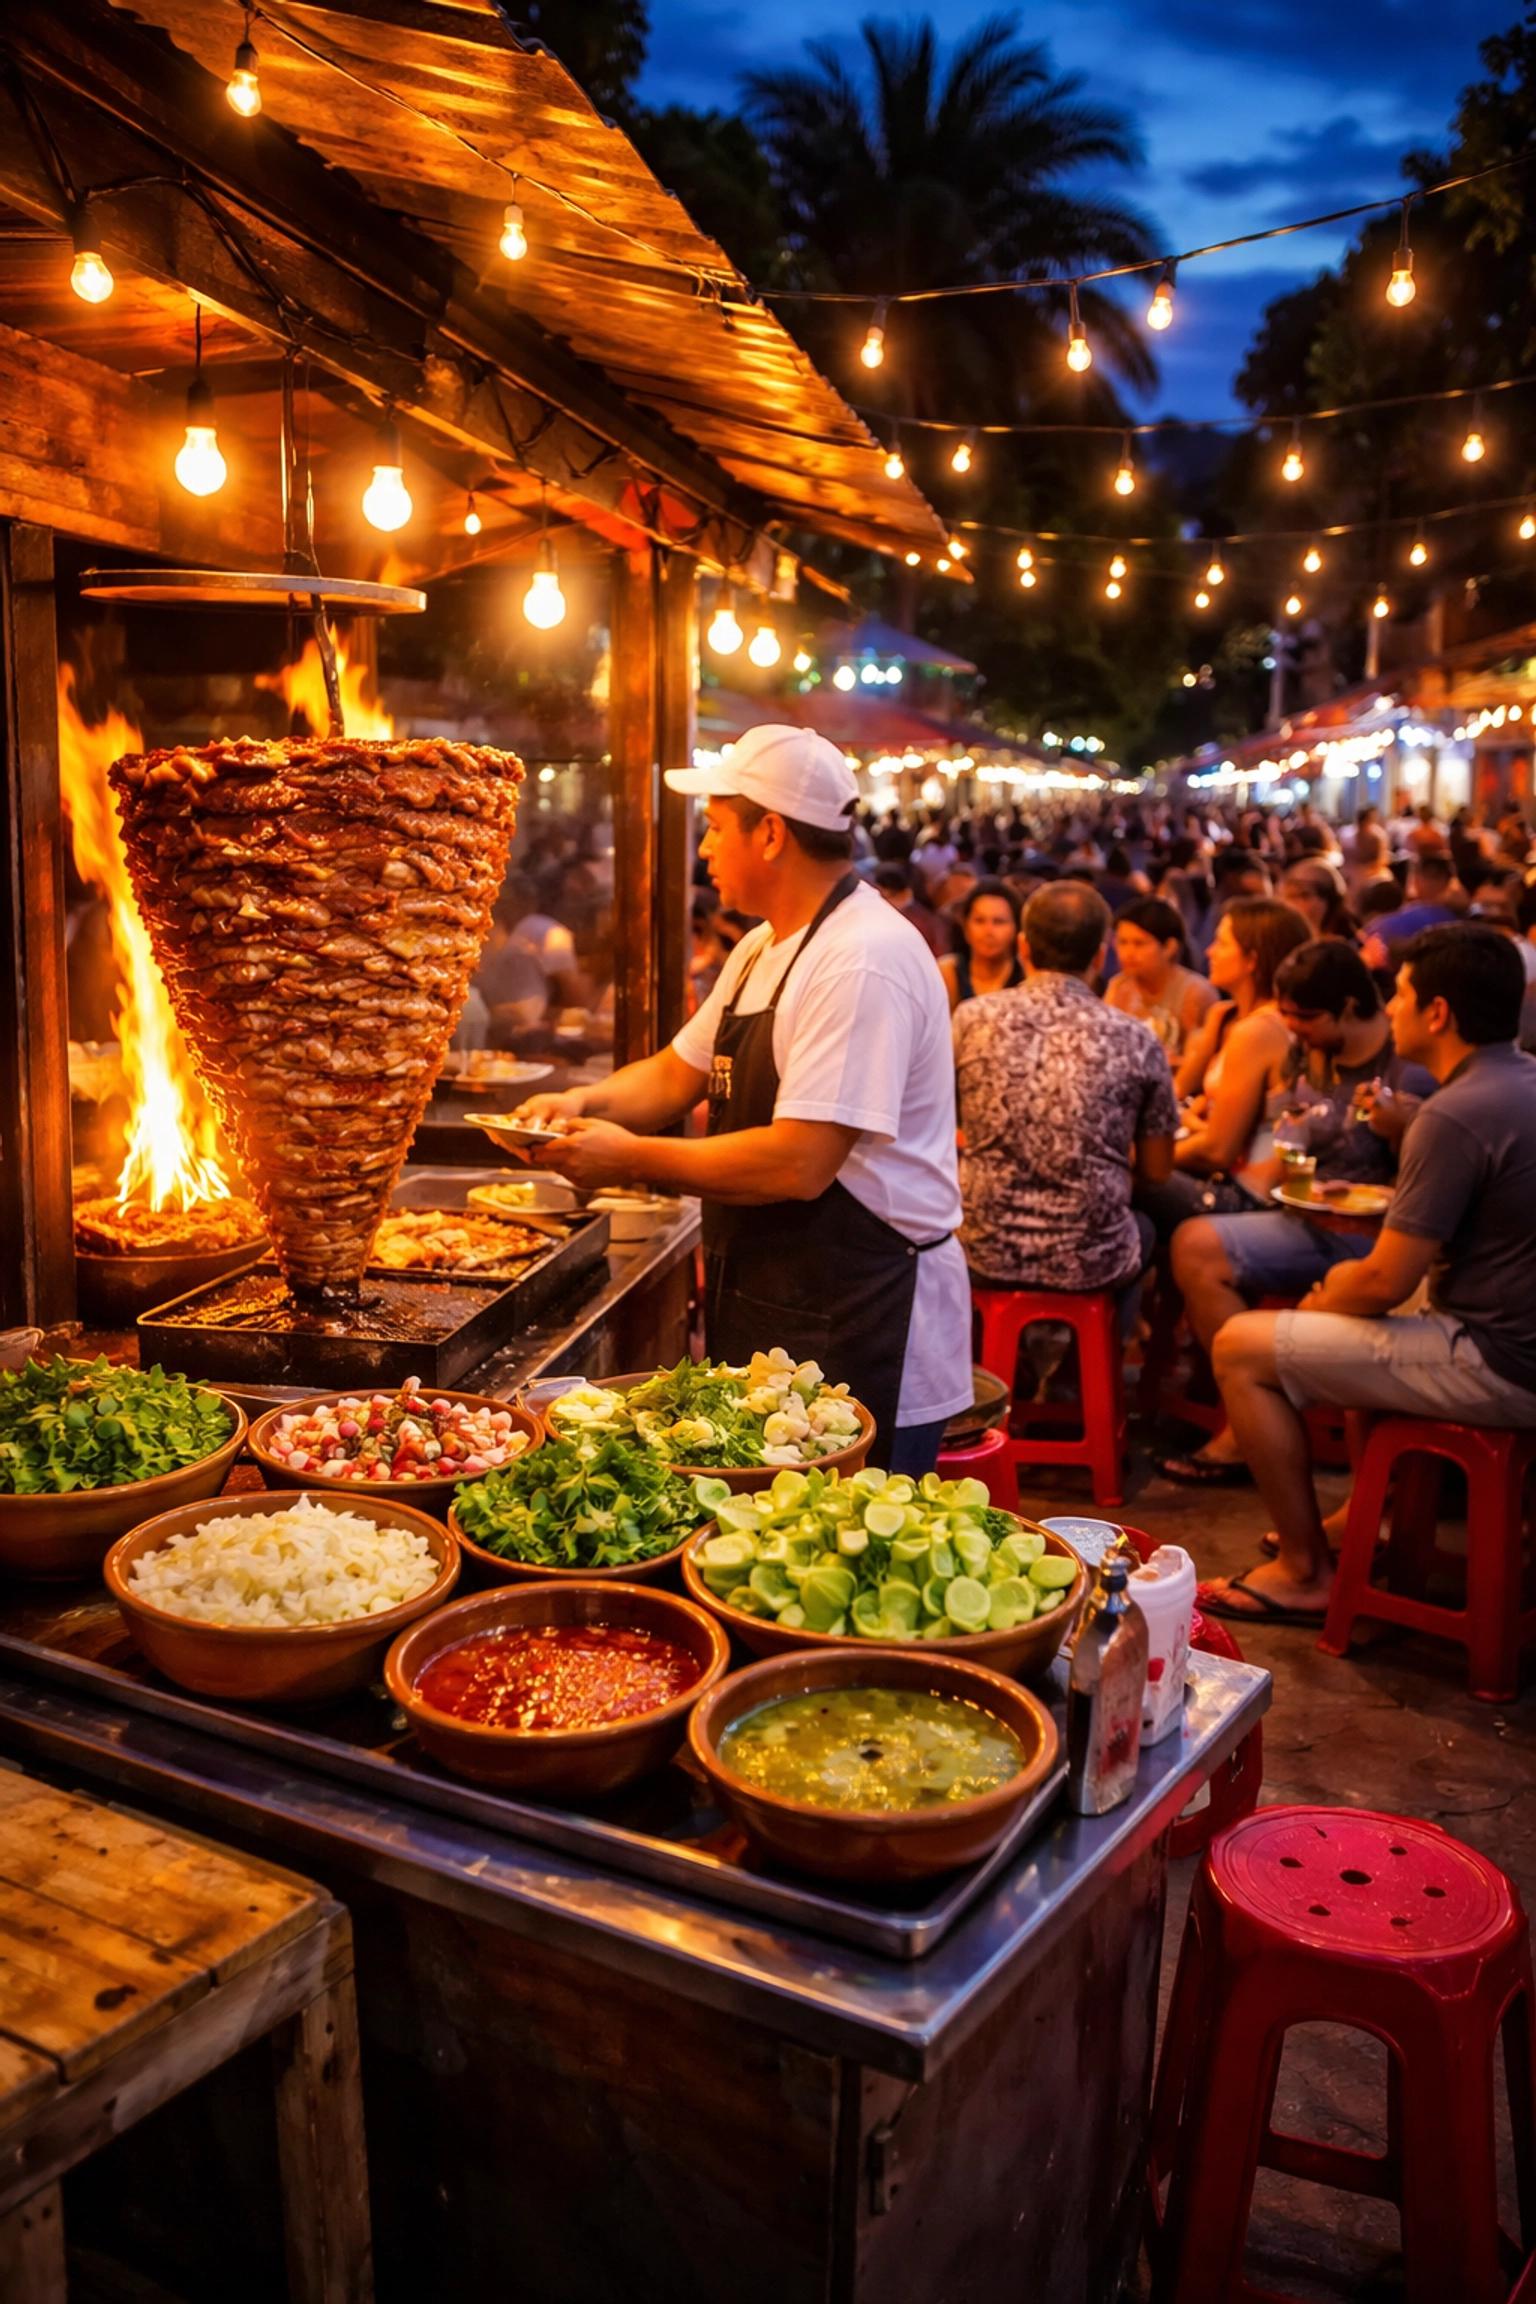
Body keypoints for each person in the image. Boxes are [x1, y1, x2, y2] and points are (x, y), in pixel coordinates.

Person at [513, 724, 972, 1473]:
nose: (703, 849)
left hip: (867, 1315)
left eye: (715, 828)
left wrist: (629, 1159)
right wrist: (580, 1103)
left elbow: (800, 1163)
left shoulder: (861, 958)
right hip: (781, 1298)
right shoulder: (764, 945)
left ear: (769, 833)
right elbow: (674, 1072)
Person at [1200, 926, 1536, 1624]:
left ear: (1438, 1013)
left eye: (1404, 996)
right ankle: (1365, 1517)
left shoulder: (1456, 1111)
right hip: (1510, 1336)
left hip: (1501, 1361)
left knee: (1239, 1346)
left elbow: (1384, 1278)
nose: (1393, 1008)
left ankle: (1302, 1572)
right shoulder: (1517, 1081)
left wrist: (1328, 1296)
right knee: (1355, 1319)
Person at [1158, 938, 1435, 1485]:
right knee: (1193, 1243)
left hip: (1375, 1239)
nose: (1294, 1028)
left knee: (1183, 1227)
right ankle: (1253, 1405)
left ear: (1351, 1009)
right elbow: (1287, 1138)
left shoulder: (1409, 1069)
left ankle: (1251, 1418)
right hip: (1306, 1218)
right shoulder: (1309, 1053)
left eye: (1304, 1017)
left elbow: (1430, 1189)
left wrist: (1400, 1129)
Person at [954, 882, 1177, 1321]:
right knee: (1147, 1229)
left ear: (1022, 946)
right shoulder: (1135, 1038)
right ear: (1100, 955)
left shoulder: (971, 1019)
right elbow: (1158, 1170)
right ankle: (1091, 1369)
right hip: (1091, 1260)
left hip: (980, 1246)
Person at [1139, 899, 1312, 1237]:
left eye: (1222, 943)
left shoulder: (1261, 1029)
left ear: (1252, 960)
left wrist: (1142, 1157)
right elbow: (1186, 1096)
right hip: (1227, 1179)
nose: (1209, 952)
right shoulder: (1235, 1018)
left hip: (1244, 1195)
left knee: (1113, 1175)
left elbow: (1217, 1150)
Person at [1105, 896, 1220, 1058]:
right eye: (1122, 942)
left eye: (1139, 944)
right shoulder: (1118, 986)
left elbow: (1204, 1057)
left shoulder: (1195, 992)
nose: (1128, 953)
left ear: (1169, 947)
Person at [1360, 851, 1463, 968]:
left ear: (1416, 880)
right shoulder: (1464, 921)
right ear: (1451, 880)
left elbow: (1360, 946)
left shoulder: (1388, 924)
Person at [940, 878, 1024, 1012]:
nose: (988, 931)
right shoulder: (948, 972)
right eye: (979, 921)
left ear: (1016, 929)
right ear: (966, 927)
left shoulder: (1027, 978)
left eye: (999, 922)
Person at [873, 861, 950, 958]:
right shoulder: (879, 918)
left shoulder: (921, 921)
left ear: (904, 894)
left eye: (884, 896)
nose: (882, 901)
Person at [1279, 859, 1355, 941]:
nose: (1292, 904)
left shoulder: (1349, 947)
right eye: (1289, 896)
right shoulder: (1286, 943)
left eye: (1304, 896)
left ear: (1330, 901)